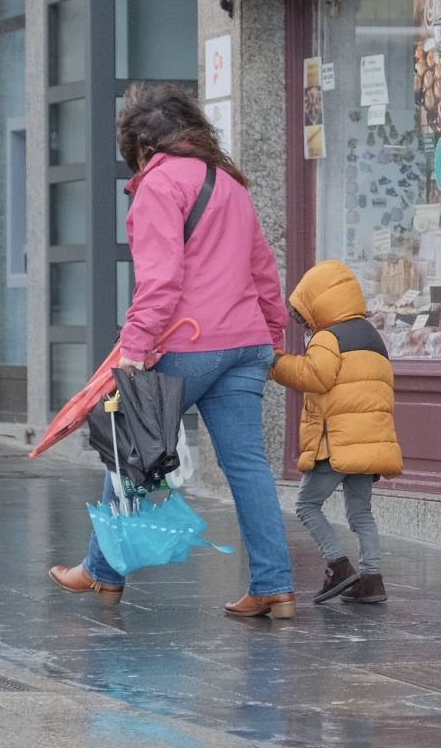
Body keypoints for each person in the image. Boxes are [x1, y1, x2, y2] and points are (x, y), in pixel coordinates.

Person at [49, 82, 297, 619]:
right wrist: (272, 341)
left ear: (141, 145)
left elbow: (158, 283)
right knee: (249, 469)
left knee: (126, 449)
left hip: (187, 344)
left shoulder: (158, 187)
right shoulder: (230, 185)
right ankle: (274, 587)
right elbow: (264, 273)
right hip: (246, 345)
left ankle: (102, 571)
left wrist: (133, 350)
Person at [270, 260, 403, 605]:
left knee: (307, 505)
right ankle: (372, 579)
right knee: (361, 513)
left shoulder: (329, 337)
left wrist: (276, 363)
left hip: (337, 441)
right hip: (369, 441)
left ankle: (338, 565)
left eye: (304, 314)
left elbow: (316, 376)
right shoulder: (372, 335)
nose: (305, 323)